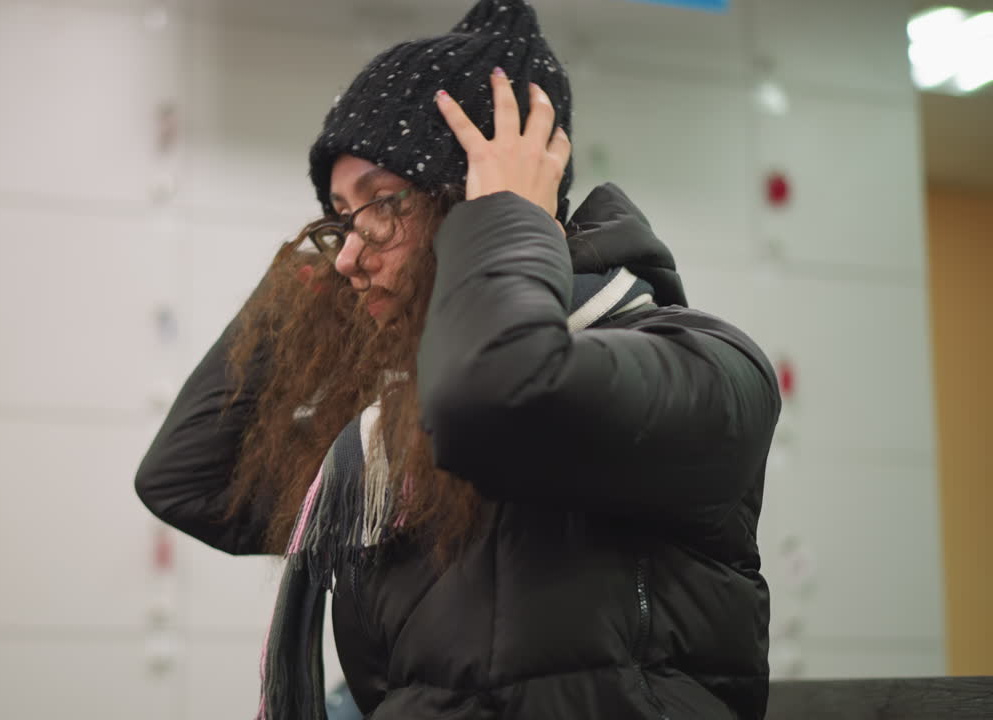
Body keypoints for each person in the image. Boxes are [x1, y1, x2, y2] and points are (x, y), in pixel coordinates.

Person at [135, 0, 781, 718]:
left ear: (474, 199)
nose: (350, 252)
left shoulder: (704, 361)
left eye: (383, 202)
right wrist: (310, 274)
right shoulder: (396, 436)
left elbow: (502, 398)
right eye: (339, 214)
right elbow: (190, 482)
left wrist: (507, 214)